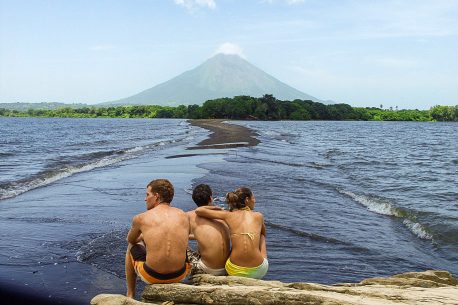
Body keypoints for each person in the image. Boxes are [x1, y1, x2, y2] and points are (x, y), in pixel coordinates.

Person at [125, 179, 191, 298]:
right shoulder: (183, 215)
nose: (145, 199)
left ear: (156, 196)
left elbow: (130, 239)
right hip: (180, 274)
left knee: (131, 246)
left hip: (152, 276)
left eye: (147, 195)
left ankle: (130, 293)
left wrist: (145, 236)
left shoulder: (141, 218)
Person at [195, 187, 268, 279]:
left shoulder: (228, 215)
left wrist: (217, 208)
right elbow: (263, 234)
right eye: (253, 198)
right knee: (261, 236)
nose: (255, 200)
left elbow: (199, 211)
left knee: (235, 238)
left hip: (233, 270)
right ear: (247, 200)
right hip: (258, 270)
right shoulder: (258, 216)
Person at [187, 184, 230, 276]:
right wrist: (199, 236)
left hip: (207, 269)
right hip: (227, 268)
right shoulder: (224, 215)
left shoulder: (190, 216)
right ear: (211, 198)